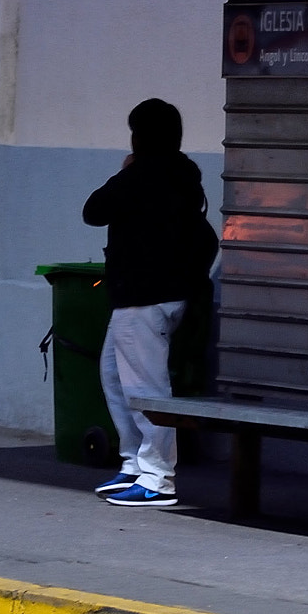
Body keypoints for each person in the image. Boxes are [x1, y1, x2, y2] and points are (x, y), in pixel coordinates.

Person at [82, 98, 217, 509]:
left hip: (143, 297)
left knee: (145, 389)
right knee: (113, 373)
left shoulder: (142, 174)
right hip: (167, 295)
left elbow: (93, 210)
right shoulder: (184, 174)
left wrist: (125, 171)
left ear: (140, 137)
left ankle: (158, 477)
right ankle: (134, 463)